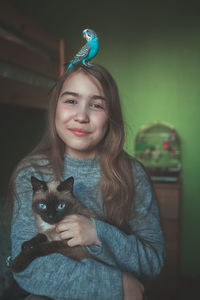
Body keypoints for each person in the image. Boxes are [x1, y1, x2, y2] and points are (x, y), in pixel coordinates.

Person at [9, 64, 166, 300]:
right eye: (71, 101)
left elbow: (152, 260)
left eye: (96, 105)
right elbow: (26, 267)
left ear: (110, 115)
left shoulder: (132, 174)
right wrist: (115, 284)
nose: (81, 116)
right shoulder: (31, 172)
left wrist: (98, 233)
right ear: (54, 108)